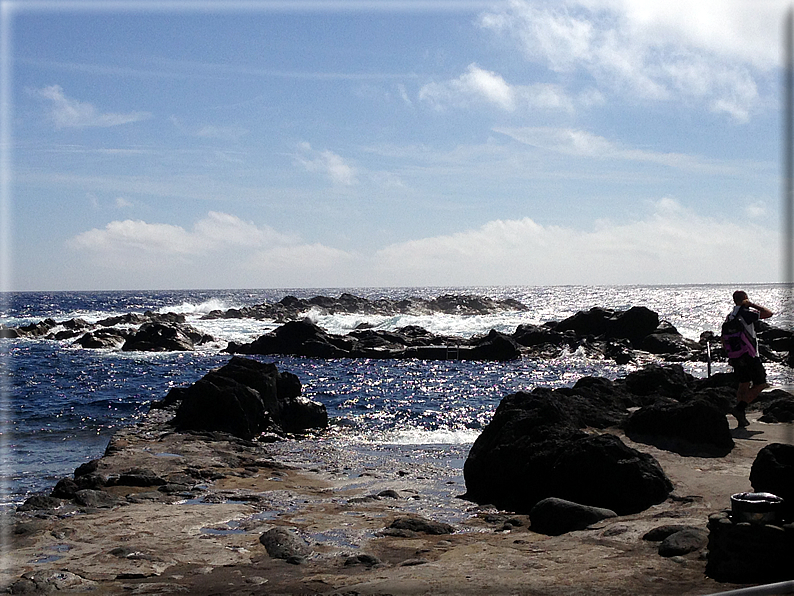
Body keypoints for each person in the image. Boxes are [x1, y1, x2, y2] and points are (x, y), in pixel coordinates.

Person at [726, 290, 773, 427]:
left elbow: (724, 338)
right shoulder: (746, 313)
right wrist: (752, 304)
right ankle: (740, 408)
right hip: (749, 355)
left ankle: (741, 417)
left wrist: (730, 355)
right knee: (761, 383)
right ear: (745, 299)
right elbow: (769, 313)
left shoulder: (730, 316)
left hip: (736, 355)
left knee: (744, 384)